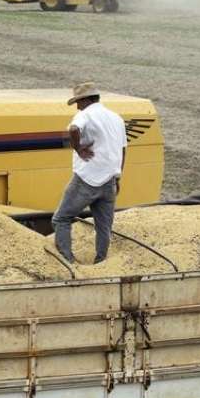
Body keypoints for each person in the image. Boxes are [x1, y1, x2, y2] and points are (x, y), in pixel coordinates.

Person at [52, 82, 127, 263]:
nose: (77, 106)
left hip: (87, 179)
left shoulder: (85, 114)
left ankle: (67, 260)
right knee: (104, 226)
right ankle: (101, 261)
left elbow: (73, 129)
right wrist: (117, 177)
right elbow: (123, 150)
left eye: (78, 101)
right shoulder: (116, 118)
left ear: (86, 100)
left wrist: (78, 148)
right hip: (110, 180)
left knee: (61, 219)